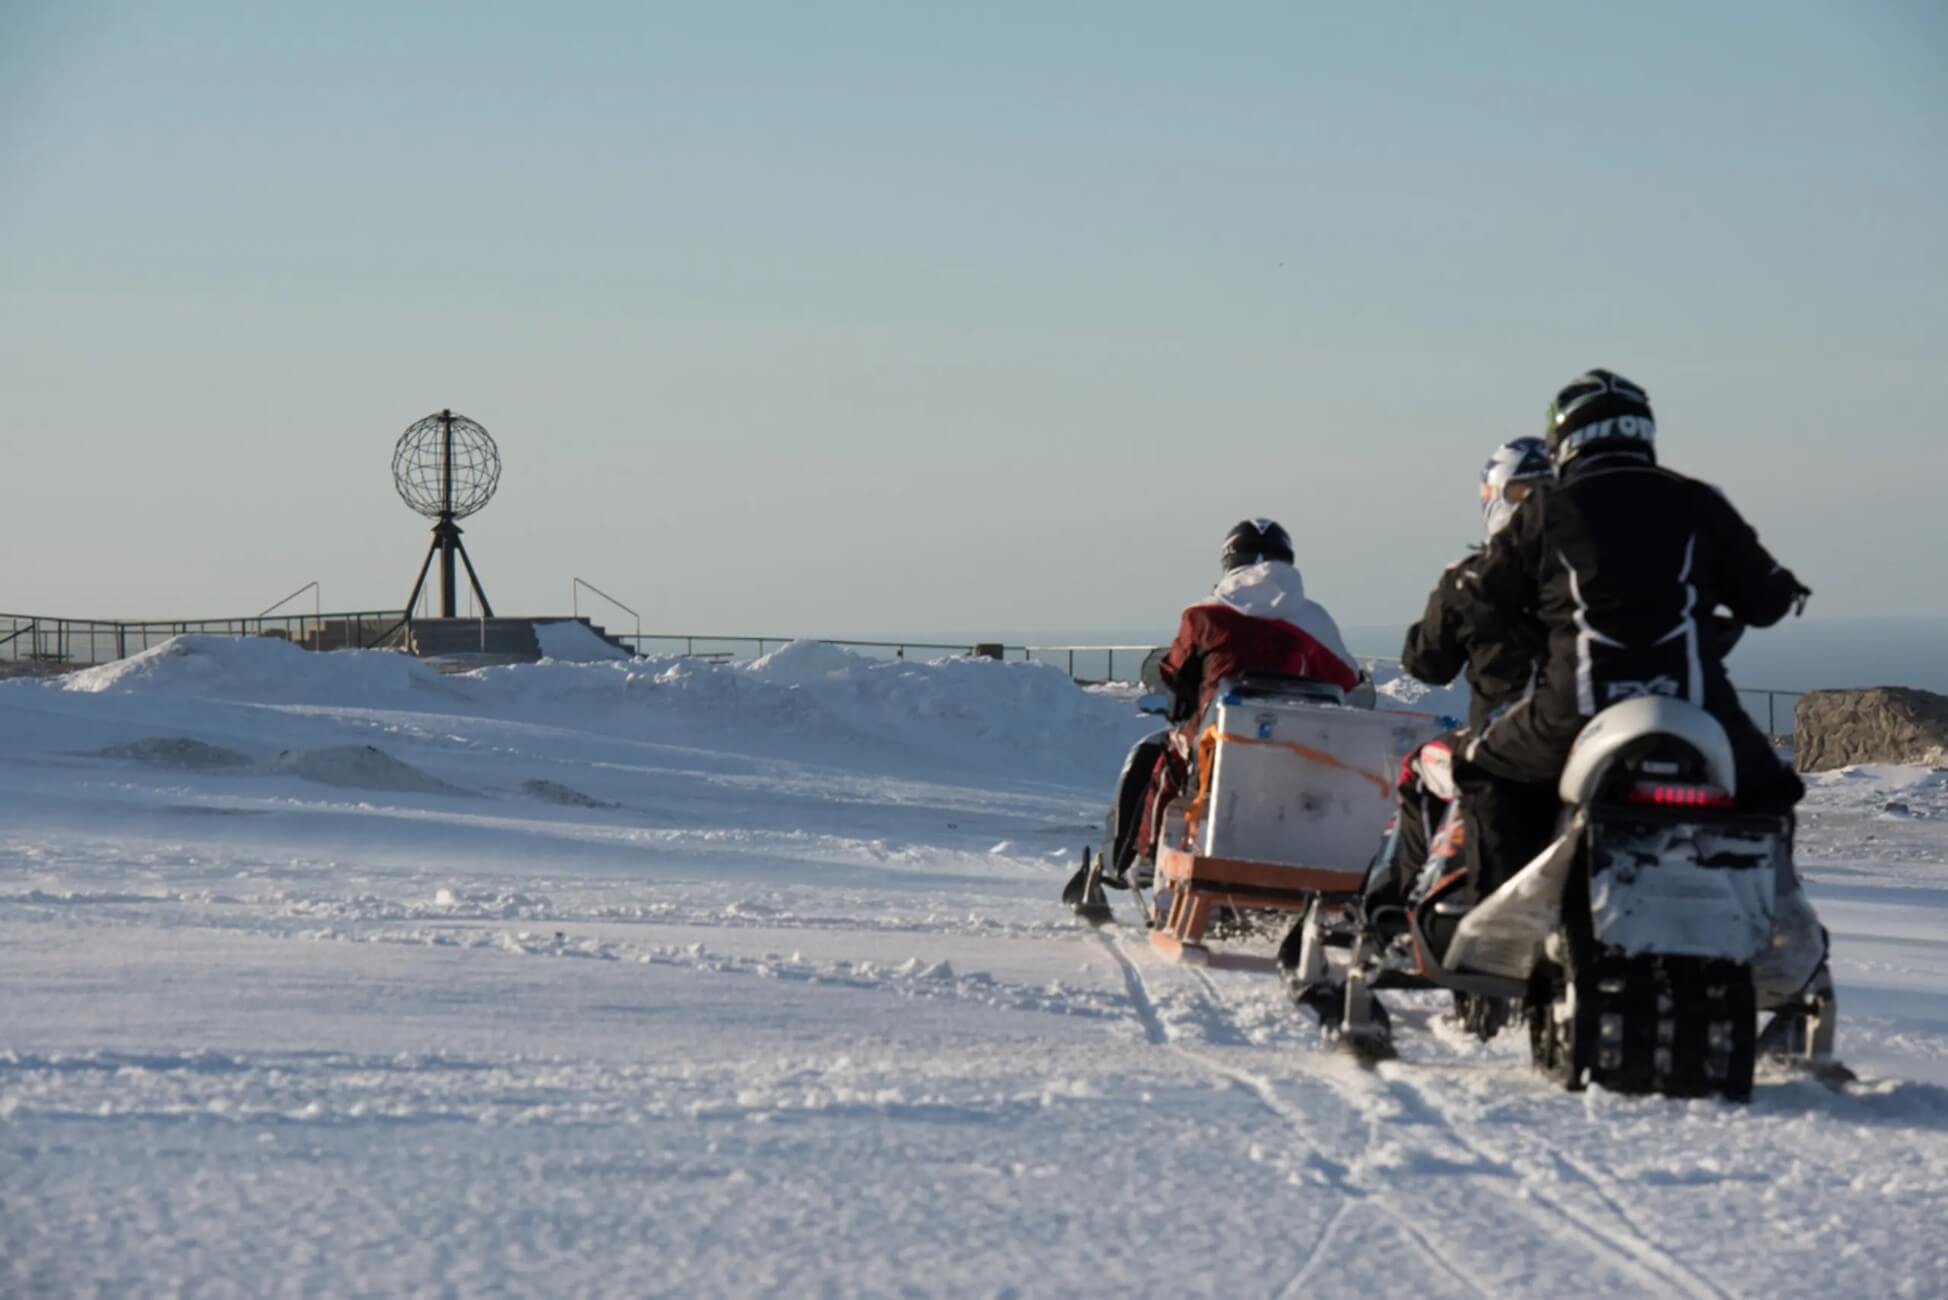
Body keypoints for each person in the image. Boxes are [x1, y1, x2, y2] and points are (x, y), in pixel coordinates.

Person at [1453, 370, 1812, 899]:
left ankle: (1504, 922)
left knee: (1481, 766)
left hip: (1573, 708)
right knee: (1774, 788)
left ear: (1565, 438)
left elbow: (1485, 597)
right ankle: (1775, 918)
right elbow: (1765, 603)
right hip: (1694, 703)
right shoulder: (1695, 500)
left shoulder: (1548, 509)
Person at [1100, 519, 1360, 883]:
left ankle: (1145, 855)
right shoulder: (1313, 618)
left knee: (1163, 757)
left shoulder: (1204, 613)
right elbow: (1348, 679)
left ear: (1228, 561)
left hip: (1220, 744)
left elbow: (1173, 670)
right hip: (1301, 751)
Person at [1366, 438, 1553, 912]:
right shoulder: (1588, 576)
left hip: (1500, 739)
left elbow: (1427, 663)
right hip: (1583, 732)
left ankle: (1396, 902)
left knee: (1418, 768)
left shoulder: (1474, 578)